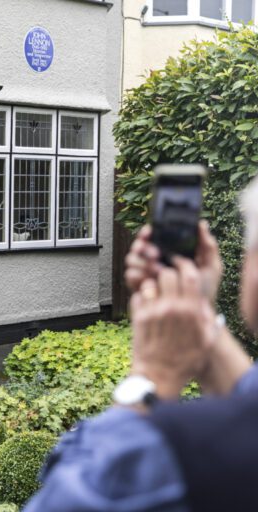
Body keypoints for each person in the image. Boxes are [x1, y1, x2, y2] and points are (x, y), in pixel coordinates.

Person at [24, 179, 258, 511]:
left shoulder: (175, 454)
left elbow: (64, 502)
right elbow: (249, 400)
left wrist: (150, 378)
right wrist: (196, 311)